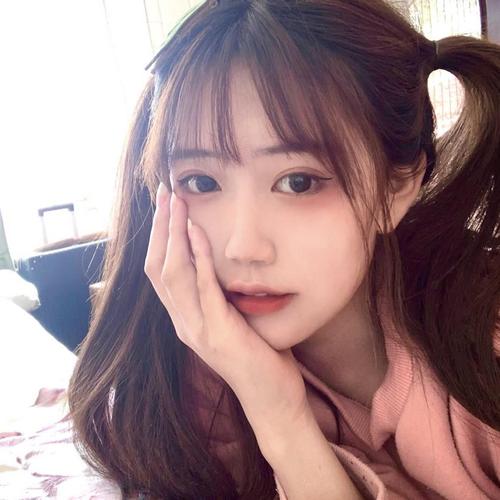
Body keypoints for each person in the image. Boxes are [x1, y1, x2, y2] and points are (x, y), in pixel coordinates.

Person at [67, 0, 500, 498]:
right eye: (201, 182)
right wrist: (275, 409)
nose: (243, 246)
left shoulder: (482, 343)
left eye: (298, 182)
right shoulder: (198, 379)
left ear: (397, 186)